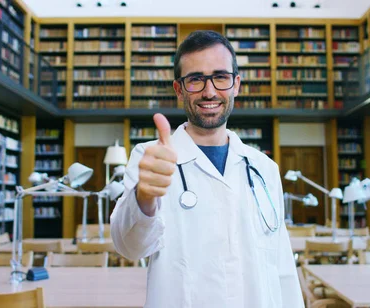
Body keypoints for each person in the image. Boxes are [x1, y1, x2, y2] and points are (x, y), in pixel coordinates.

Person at [110, 30, 303, 308]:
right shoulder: (150, 159)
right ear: (179, 89)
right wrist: (144, 198)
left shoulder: (264, 169)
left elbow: (282, 266)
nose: (209, 91)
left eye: (220, 77)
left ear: (236, 84)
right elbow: (129, 247)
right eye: (195, 79)